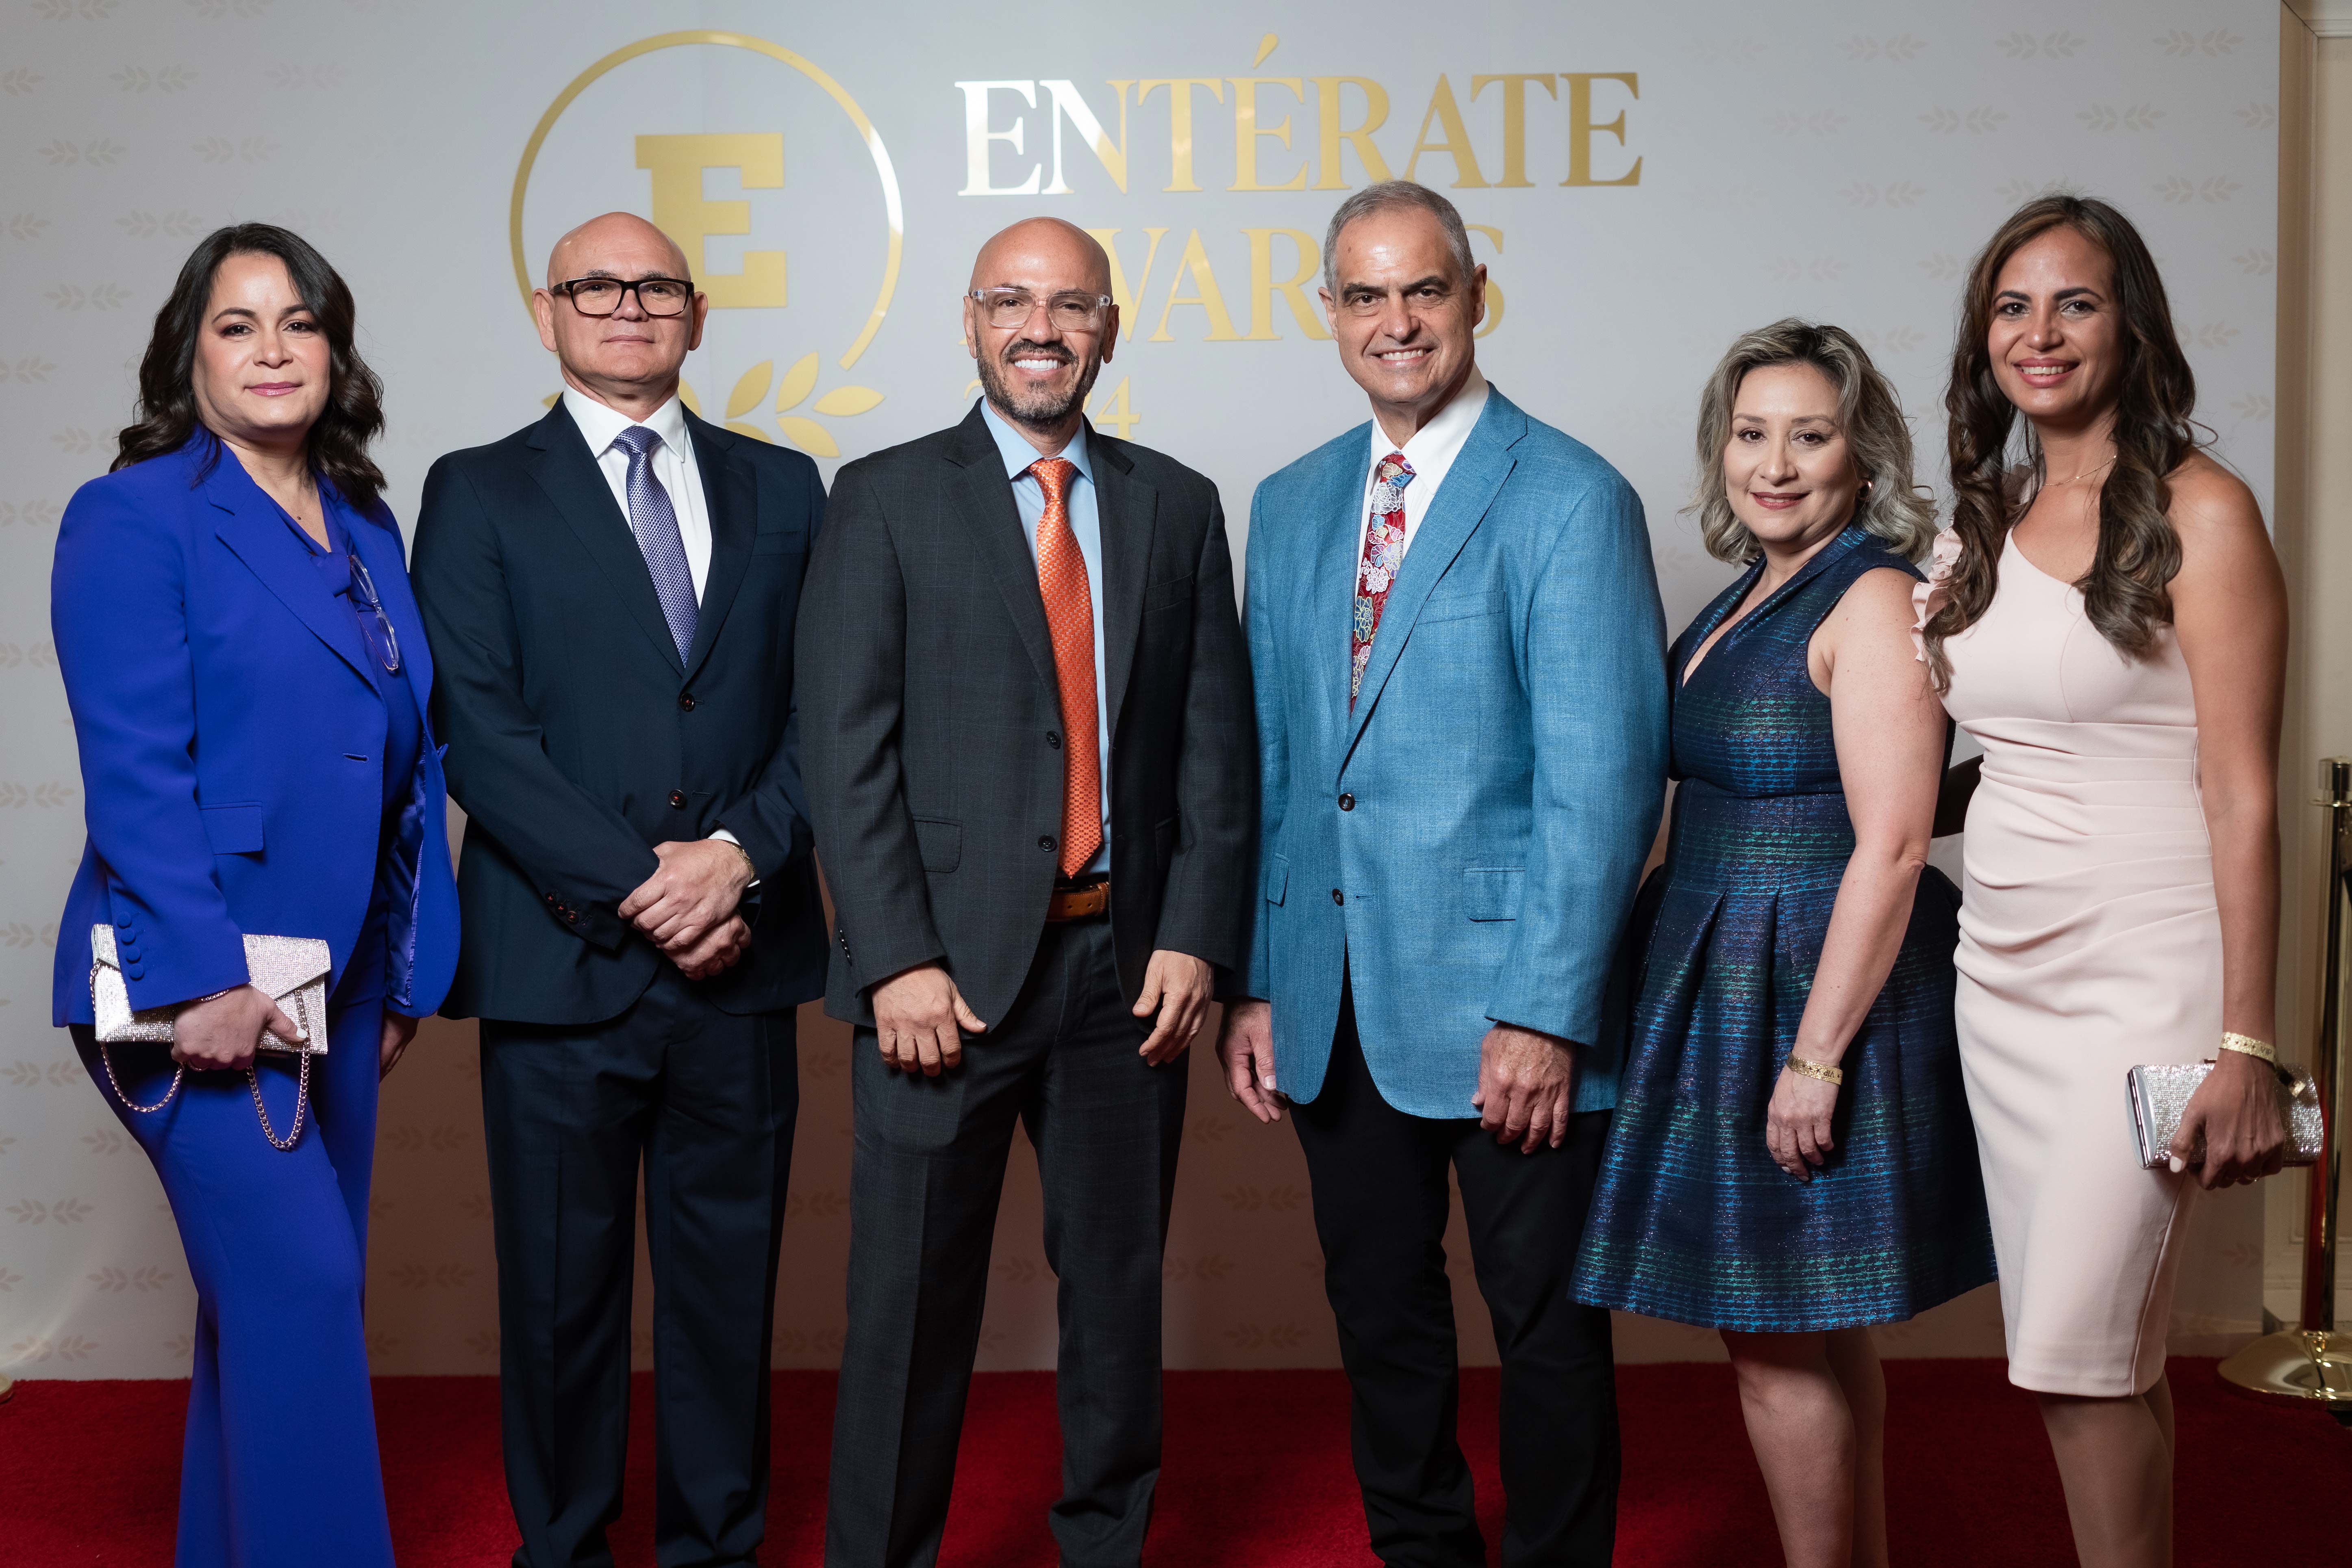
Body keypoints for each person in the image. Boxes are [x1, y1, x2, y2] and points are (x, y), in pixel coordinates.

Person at [1215, 181, 1668, 1568]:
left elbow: (1603, 783)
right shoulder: (1291, 502)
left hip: (1505, 1006)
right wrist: (1258, 979)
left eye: (1424, 288)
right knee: (1379, 1313)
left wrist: (1544, 1010)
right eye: (1365, 294)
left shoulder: (1572, 495)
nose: (1396, 321)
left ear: (1476, 296)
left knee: (1543, 1324)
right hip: (1333, 993)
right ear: (1330, 313)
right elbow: (1277, 764)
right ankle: (1418, 1551)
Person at [798, 216, 1254, 1568]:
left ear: (1108, 326)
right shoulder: (882, 496)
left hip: (1127, 976)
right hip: (940, 982)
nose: (1040, 328)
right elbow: (843, 746)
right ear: (970, 321)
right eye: (1010, 301)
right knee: (907, 1307)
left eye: (1069, 304)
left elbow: (1215, 747)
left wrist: (1196, 934)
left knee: (1116, 1303)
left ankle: (1104, 1548)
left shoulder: (1177, 503)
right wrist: (893, 957)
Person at [409, 213, 827, 1568]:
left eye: (656, 286)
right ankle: (564, 1550)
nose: (628, 305)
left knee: (727, 1294)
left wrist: (738, 860)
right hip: (559, 964)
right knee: (558, 1300)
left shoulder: (787, 486)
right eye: (596, 286)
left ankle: (717, 1547)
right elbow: (476, 731)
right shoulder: (477, 490)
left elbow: (828, 712)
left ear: (698, 315)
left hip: (742, 964)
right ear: (547, 313)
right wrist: (646, 887)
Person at [51, 224, 458, 1568]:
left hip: (337, 983)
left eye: (300, 322)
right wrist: (202, 979)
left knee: (276, 1320)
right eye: (237, 325)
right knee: (303, 1290)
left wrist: (400, 972)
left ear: (335, 349)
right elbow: (134, 772)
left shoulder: (364, 523)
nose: (273, 350)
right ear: (190, 353)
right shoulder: (135, 514)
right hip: (198, 978)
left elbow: (402, 764)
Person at [1572, 322, 1996, 1568]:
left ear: (1860, 455)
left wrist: (1814, 1057)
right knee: (1809, 1319)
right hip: (1720, 970)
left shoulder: (1869, 594)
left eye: (1808, 435)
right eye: (1751, 434)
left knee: (1769, 1329)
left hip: (1807, 980)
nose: (1774, 463)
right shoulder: (1749, 590)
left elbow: (1893, 842)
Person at [1917, 194, 2288, 1567]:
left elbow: (2241, 793)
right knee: (2102, 1352)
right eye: (2012, 306)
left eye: (2075, 302)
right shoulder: (1980, 523)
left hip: (2144, 978)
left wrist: (2245, 1043)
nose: (2041, 332)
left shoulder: (2204, 512)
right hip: (1998, 978)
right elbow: (1989, 756)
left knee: (2074, 1360)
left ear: (2130, 325)